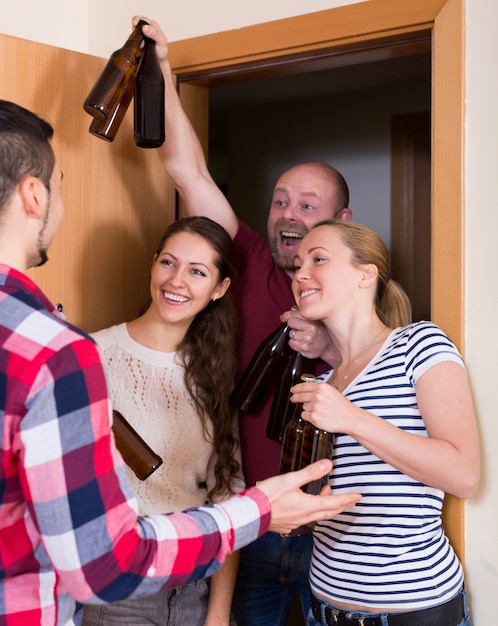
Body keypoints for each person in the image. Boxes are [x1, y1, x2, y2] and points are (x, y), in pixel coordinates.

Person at [0, 99, 363, 626]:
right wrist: (257, 513)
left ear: (219, 288)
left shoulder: (212, 365)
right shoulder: (63, 352)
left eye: (308, 205)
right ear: (35, 195)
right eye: (60, 181)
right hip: (169, 571)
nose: (290, 214)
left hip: (314, 545)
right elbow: (103, 563)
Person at [137, 17, 354, 625]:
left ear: (343, 218)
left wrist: (334, 350)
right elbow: (188, 173)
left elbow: (396, 397)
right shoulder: (251, 257)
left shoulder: (368, 293)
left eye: (308, 206)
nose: (289, 214)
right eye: (281, 200)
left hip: (333, 530)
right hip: (250, 519)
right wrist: (164, 72)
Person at [289, 219, 479, 626]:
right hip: (322, 610)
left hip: (414, 613)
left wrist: (351, 419)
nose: (300, 273)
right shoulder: (321, 383)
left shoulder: (419, 345)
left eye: (318, 259)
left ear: (365, 275)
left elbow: (463, 473)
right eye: (298, 263)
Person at [84, 215, 244, 626]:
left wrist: (218, 611)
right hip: (121, 591)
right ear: (153, 264)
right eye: (168, 263)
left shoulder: (216, 377)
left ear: (219, 289)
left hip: (194, 585)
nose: (176, 281)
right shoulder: (91, 356)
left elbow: (228, 499)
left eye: (197, 272)